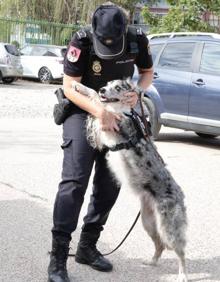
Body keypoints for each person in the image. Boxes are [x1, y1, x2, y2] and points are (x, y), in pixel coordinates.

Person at [48, 2, 153, 282]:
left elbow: (146, 73)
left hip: (119, 114)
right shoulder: (81, 41)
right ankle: (58, 257)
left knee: (109, 184)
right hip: (82, 111)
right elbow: (70, 87)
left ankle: (87, 247)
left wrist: (138, 92)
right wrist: (99, 112)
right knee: (74, 182)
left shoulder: (136, 40)